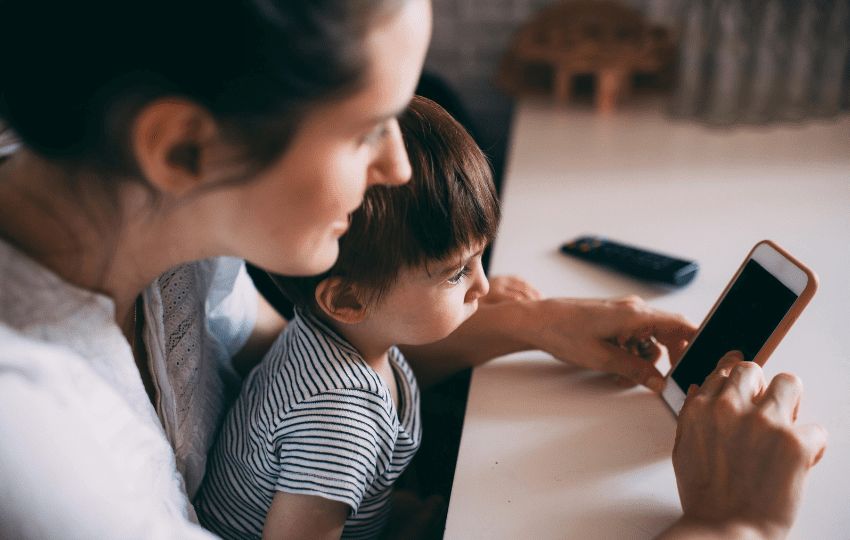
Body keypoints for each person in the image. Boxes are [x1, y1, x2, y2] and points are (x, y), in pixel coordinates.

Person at [0, 0, 827, 539]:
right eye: (368, 128)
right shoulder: (40, 456)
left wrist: (527, 324)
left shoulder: (147, 213)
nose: (397, 164)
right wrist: (734, 526)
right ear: (185, 147)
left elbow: (275, 360)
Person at [194, 95, 497, 540]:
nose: (483, 286)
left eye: (479, 259)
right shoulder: (339, 415)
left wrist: (382, 511)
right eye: (457, 274)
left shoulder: (332, 336)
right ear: (350, 300)